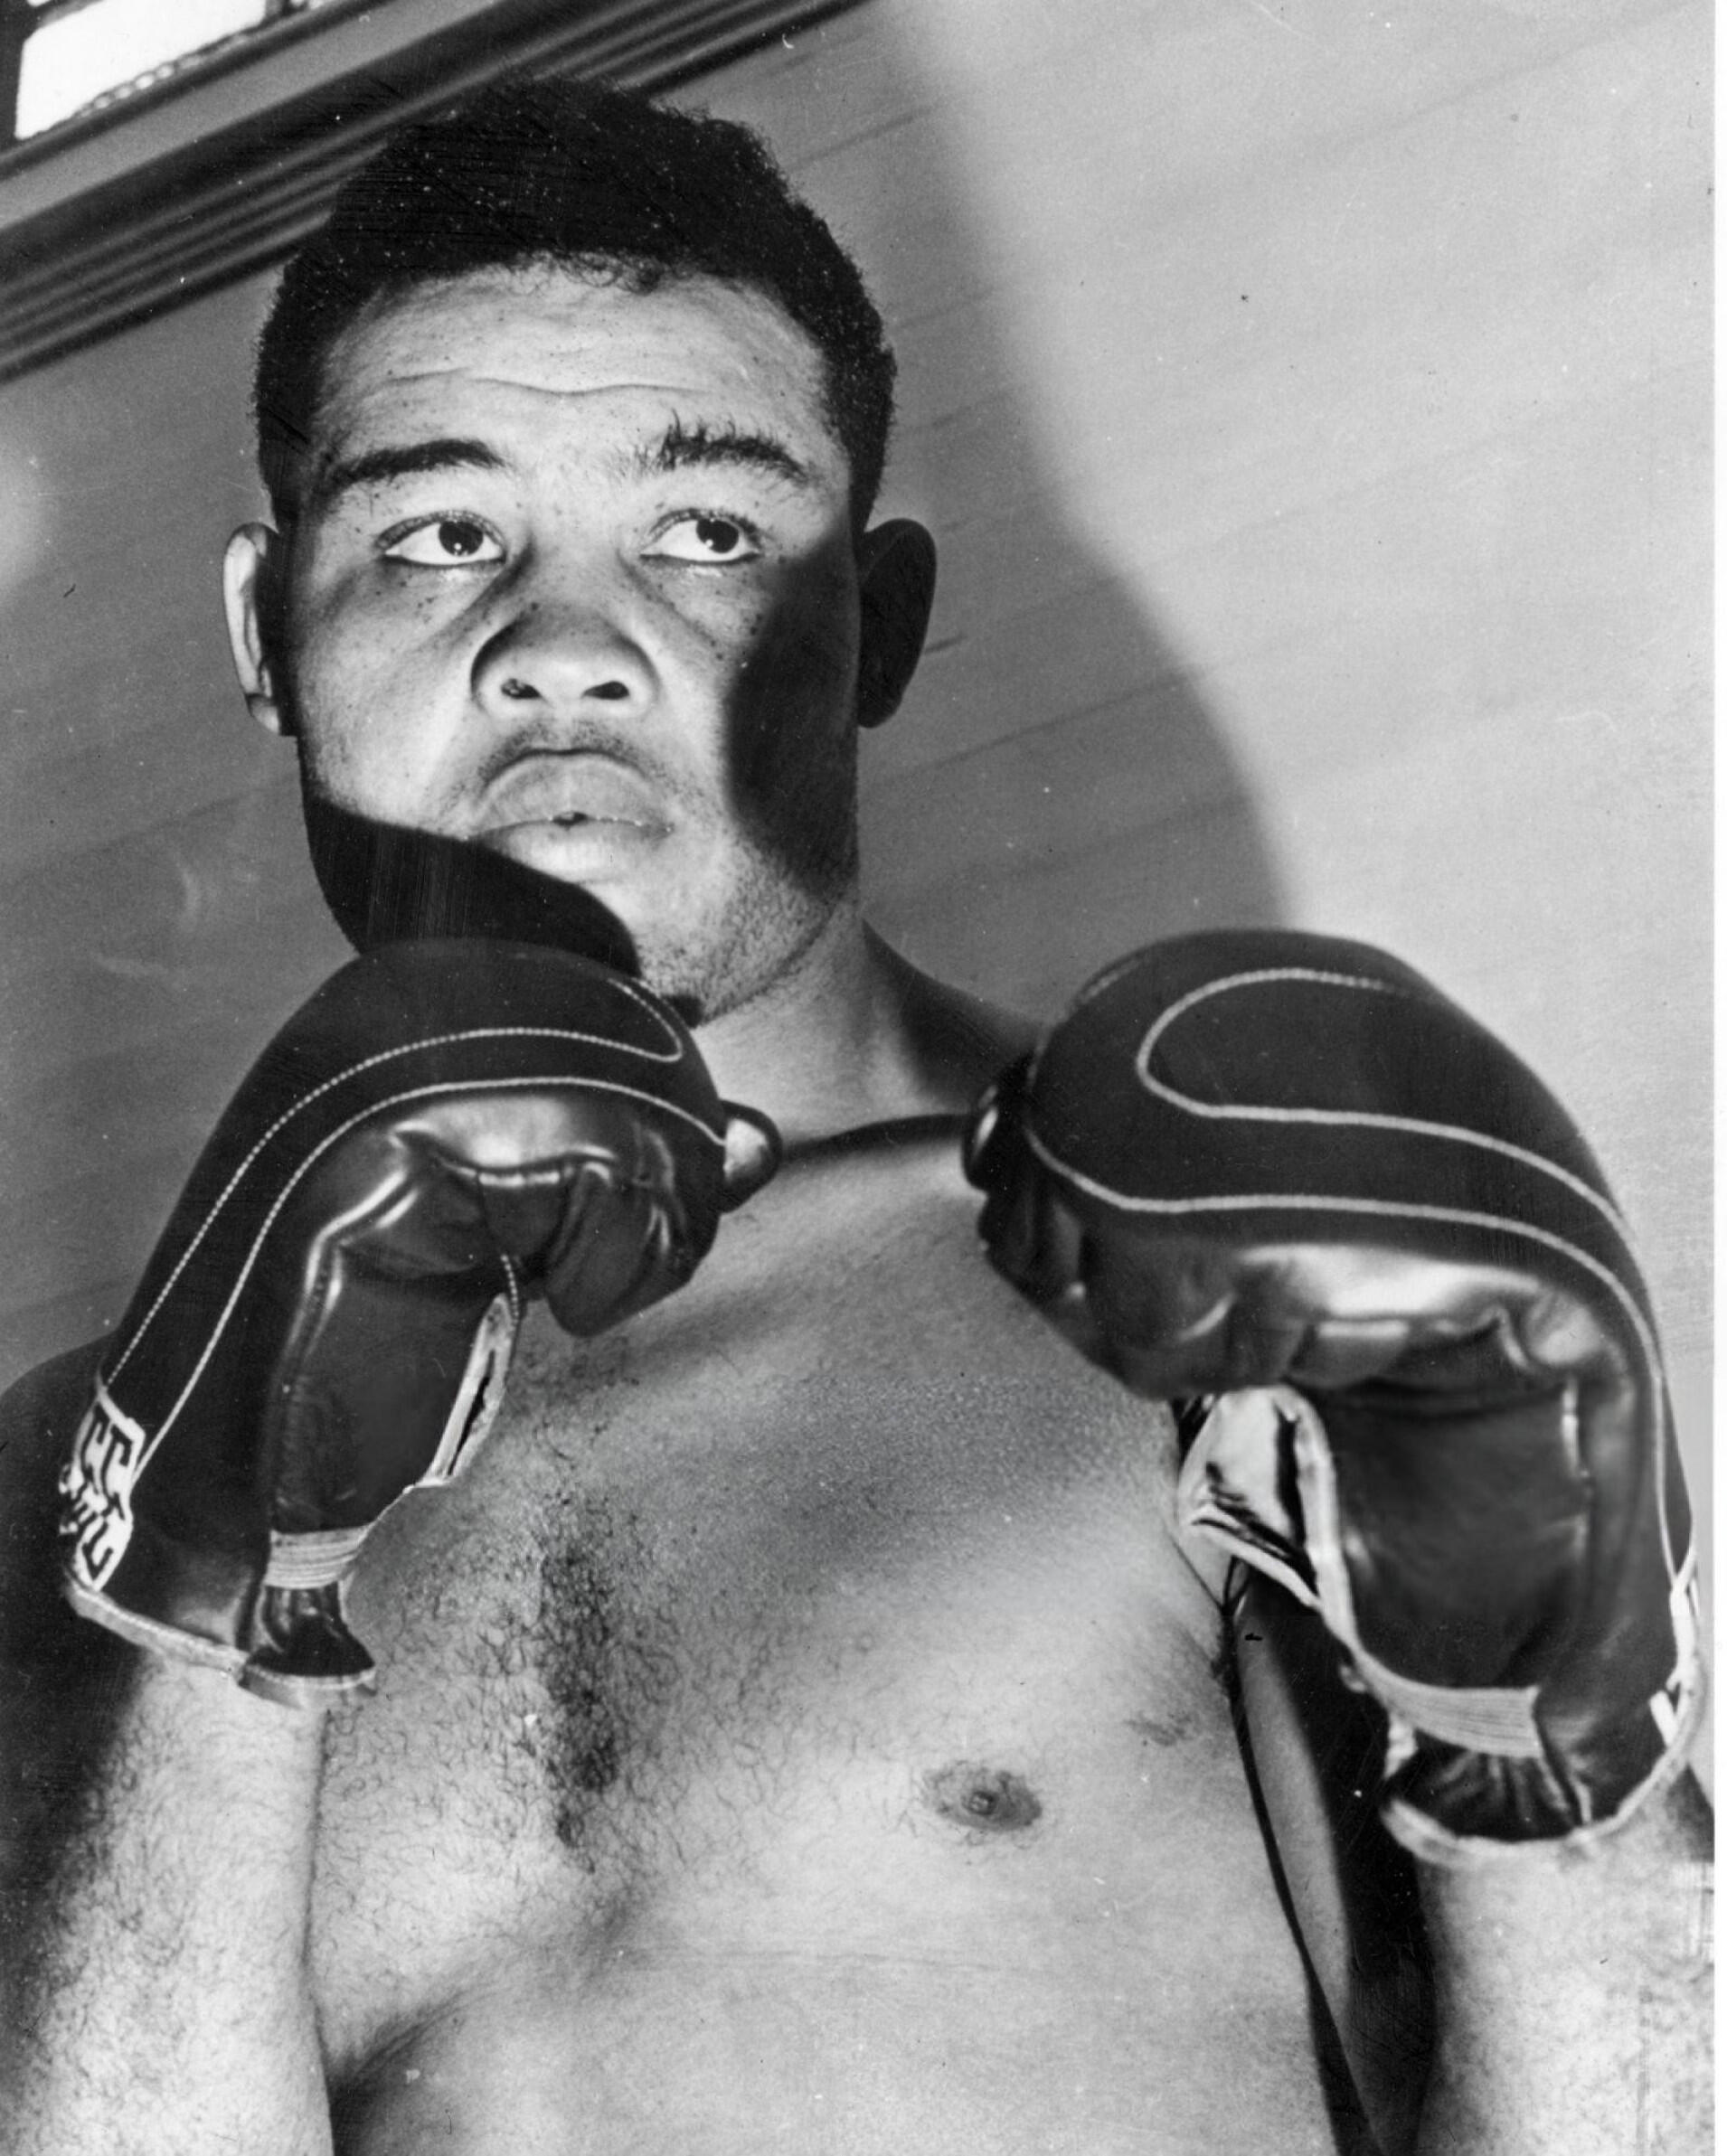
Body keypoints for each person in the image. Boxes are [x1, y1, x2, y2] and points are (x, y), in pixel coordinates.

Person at [0, 77, 1709, 2155]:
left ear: (875, 626)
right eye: (441, 531)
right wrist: (193, 1620)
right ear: (270, 628)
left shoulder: (1177, 1290)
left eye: (706, 530)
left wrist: (1557, 1782)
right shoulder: (56, 1465)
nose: (562, 650)